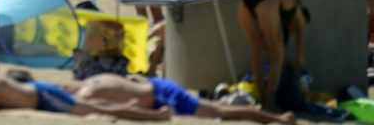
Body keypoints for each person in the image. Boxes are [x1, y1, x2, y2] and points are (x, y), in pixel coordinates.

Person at [0, 58, 171, 119]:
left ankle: (156, 116)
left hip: (43, 96)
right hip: (41, 95)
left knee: (99, 111)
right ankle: (129, 107)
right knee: (97, 107)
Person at [67, 74, 295, 124]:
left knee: (223, 114)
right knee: (218, 109)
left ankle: (280, 119)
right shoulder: (92, 80)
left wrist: (126, 107)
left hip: (161, 95)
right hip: (156, 86)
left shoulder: (86, 93)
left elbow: (99, 106)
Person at [238, 0, 309, 112]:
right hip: (268, 0)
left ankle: (262, 99)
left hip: (246, 1)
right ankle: (270, 102)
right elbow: (299, 58)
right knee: (278, 56)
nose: (293, 32)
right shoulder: (300, 20)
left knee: (257, 52)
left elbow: (264, 42)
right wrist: (296, 83)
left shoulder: (284, 7)